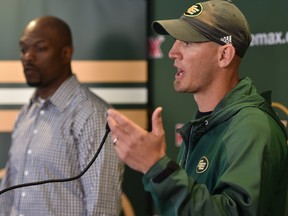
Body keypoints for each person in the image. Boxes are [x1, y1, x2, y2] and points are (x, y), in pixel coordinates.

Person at [107, 0, 288, 215]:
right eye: (176, 41)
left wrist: (156, 167)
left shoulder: (252, 128)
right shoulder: (208, 122)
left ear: (224, 56)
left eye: (188, 42)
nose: (172, 52)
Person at [0, 16, 124, 215]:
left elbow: (102, 205)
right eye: (23, 49)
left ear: (66, 54)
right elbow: (9, 191)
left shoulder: (92, 114)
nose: (28, 57)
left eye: (40, 48)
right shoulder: (26, 113)